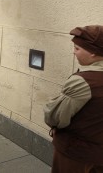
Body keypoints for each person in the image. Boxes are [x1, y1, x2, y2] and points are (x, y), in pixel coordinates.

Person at [44, 25, 103, 173]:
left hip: (76, 154)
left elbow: (54, 117)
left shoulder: (84, 81)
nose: (73, 52)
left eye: (77, 49)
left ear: (94, 53)